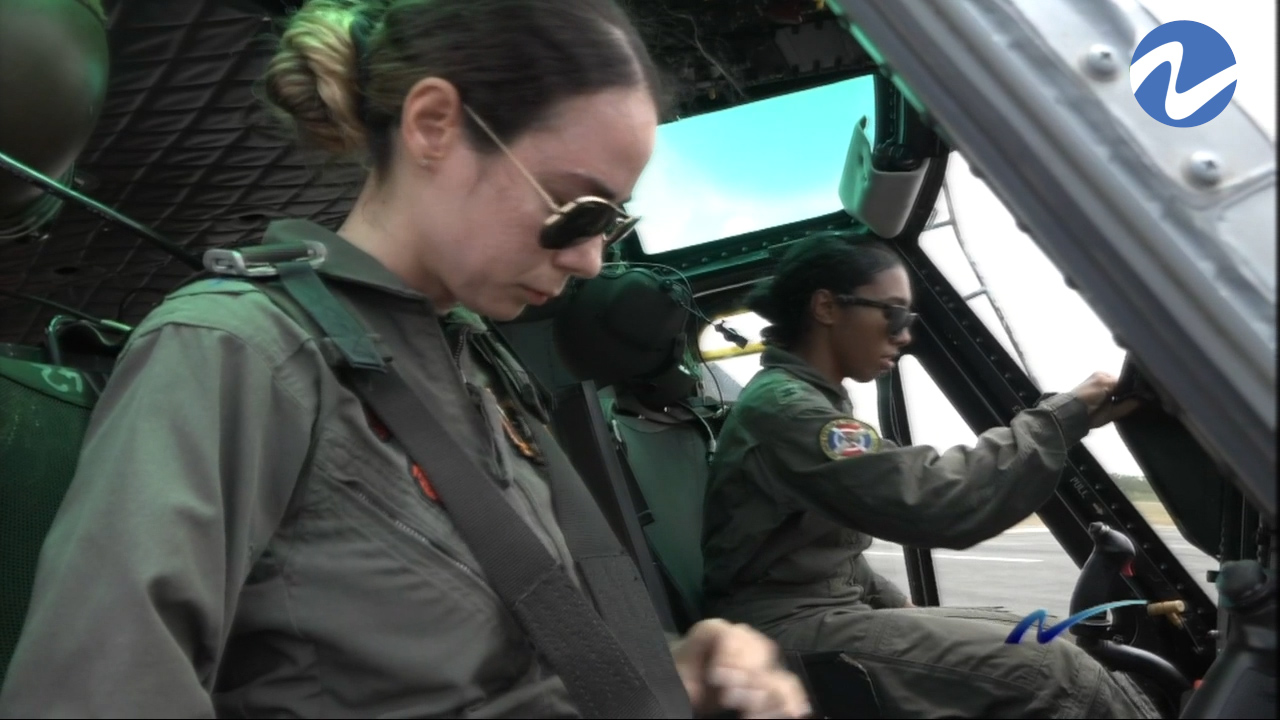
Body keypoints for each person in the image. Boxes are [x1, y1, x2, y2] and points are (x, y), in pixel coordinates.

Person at [0, 1, 811, 718]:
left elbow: (507, 668)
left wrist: (678, 675)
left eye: (613, 222)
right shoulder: (241, 351)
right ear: (433, 125)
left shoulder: (483, 373)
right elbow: (93, 691)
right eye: (579, 209)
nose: (594, 260)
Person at [700, 233, 1164, 718]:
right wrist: (1060, 419)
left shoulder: (806, 401)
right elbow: (932, 498)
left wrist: (899, 609)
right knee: (1054, 671)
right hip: (781, 627)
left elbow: (823, 554)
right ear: (827, 307)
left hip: (813, 611)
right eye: (894, 314)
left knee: (1033, 629)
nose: (903, 334)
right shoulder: (791, 411)